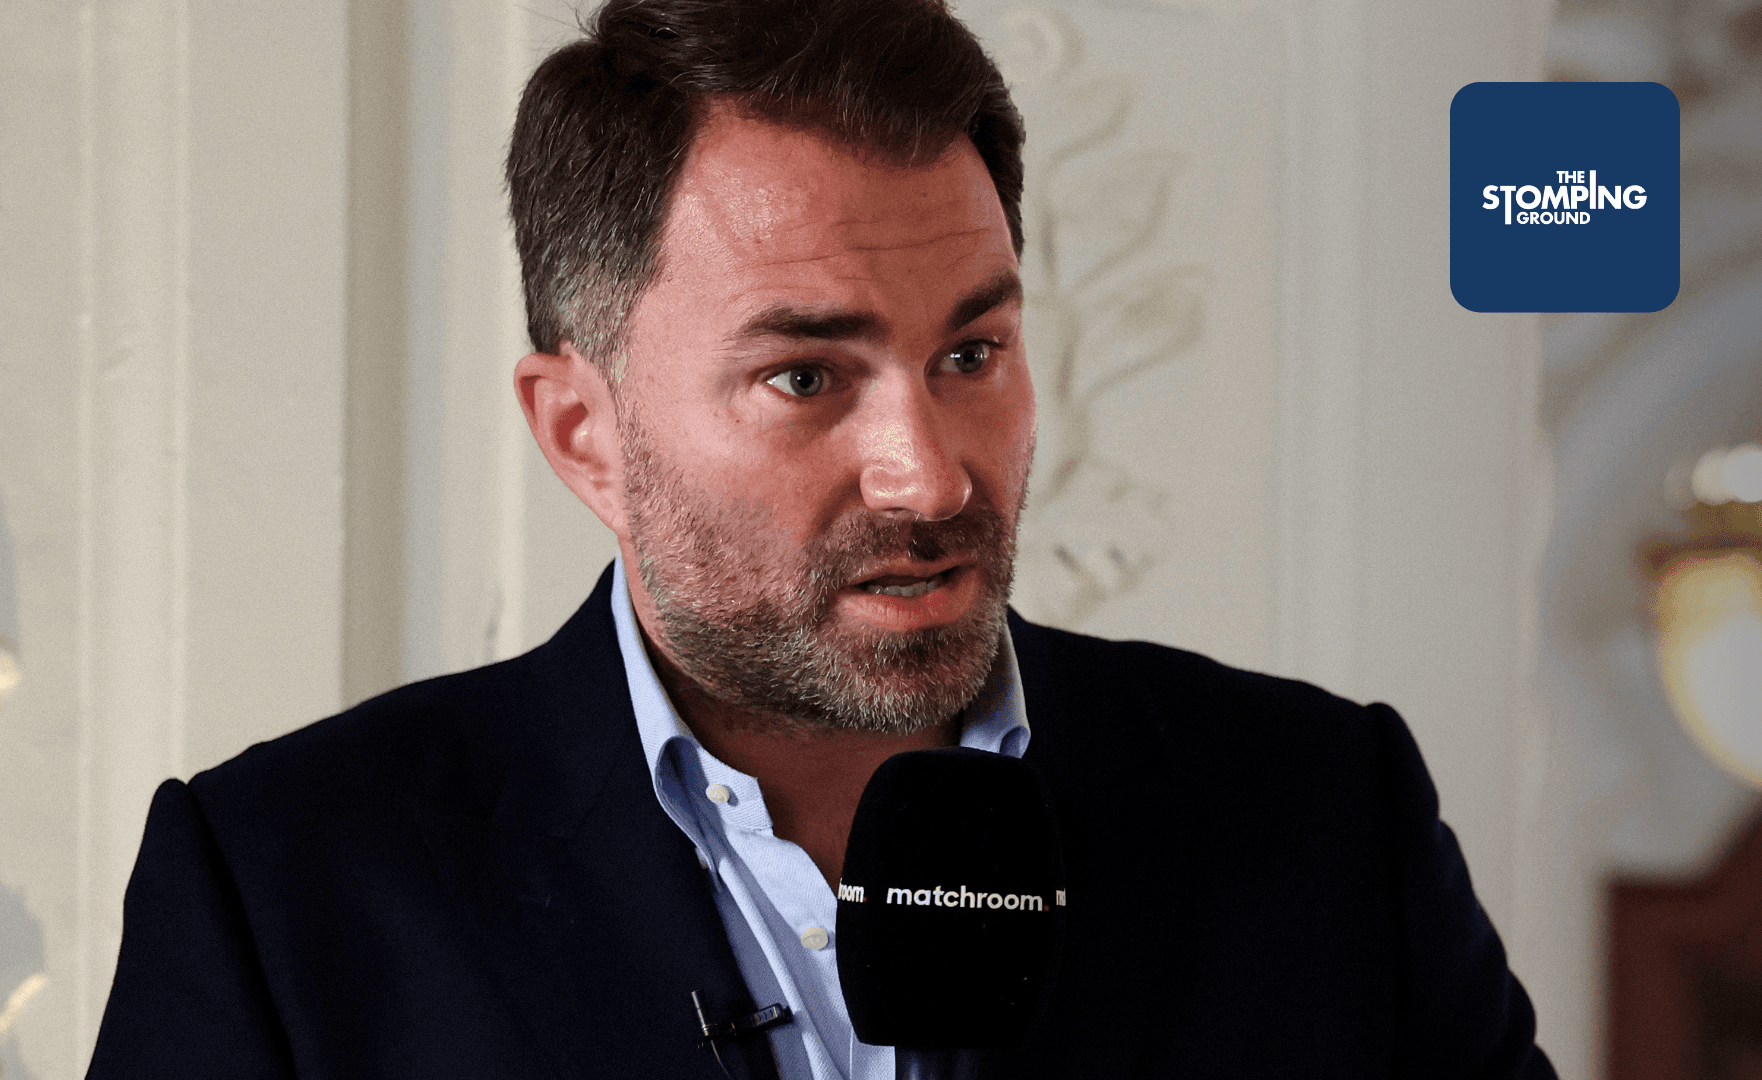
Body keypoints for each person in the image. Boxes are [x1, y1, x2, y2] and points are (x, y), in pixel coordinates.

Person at [87, 0, 1558, 1077]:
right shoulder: (282, 892)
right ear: (583, 431)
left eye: (971, 355)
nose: (928, 475)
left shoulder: (1324, 815)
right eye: (806, 378)